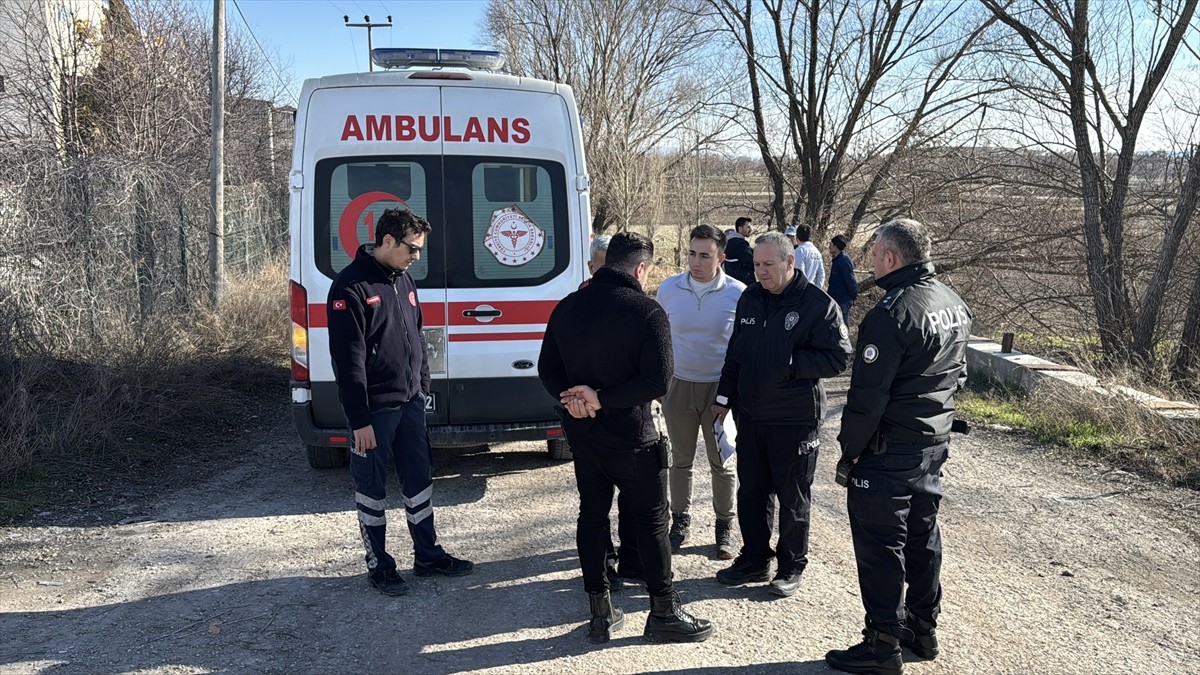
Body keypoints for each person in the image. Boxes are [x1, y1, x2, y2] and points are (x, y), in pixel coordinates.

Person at [539, 232, 713, 644]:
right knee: (652, 522)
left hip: (584, 436)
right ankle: (663, 611)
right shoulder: (647, 312)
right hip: (633, 438)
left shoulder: (568, 306)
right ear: (640, 269)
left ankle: (600, 613)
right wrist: (600, 399)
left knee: (592, 516)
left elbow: (547, 368)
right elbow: (658, 380)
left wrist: (574, 400)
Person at [825, 218, 972, 675]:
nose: (871, 263)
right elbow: (958, 376)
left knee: (881, 545)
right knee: (923, 537)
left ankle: (882, 643)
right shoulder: (952, 302)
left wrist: (850, 450)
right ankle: (922, 629)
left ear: (890, 257)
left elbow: (868, 398)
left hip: (889, 450)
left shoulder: (892, 313)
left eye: (874, 255)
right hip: (932, 443)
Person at [326, 207, 474, 597]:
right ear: (388, 240)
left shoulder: (404, 279)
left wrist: (421, 386)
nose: (417, 256)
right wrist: (359, 420)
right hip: (373, 412)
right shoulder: (350, 287)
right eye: (412, 248)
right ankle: (380, 566)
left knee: (419, 481)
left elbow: (417, 336)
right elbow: (348, 361)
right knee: (371, 488)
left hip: (410, 404)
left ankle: (428, 556)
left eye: (420, 249)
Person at [712, 231, 852, 597]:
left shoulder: (817, 305)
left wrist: (790, 363)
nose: (760, 271)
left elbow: (838, 358)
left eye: (768, 264)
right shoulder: (750, 298)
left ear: (790, 262)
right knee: (752, 492)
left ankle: (791, 566)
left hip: (794, 418)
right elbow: (735, 353)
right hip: (751, 415)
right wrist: (724, 397)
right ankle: (755, 559)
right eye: (756, 264)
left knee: (793, 496)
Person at [655, 225, 746, 559]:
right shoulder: (669, 289)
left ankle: (725, 526)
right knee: (680, 460)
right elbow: (657, 338)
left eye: (705, 256)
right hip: (678, 386)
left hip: (720, 392)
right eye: (692, 253)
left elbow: (744, 347)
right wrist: (660, 384)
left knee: (722, 461)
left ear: (721, 258)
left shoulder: (738, 293)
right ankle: (680, 520)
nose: (696, 262)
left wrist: (734, 393)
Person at [587, 235, 643, 590]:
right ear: (591, 266)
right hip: (590, 420)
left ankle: (632, 559)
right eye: (602, 265)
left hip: (627, 417)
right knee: (595, 503)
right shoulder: (576, 303)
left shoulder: (639, 305)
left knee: (633, 498)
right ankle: (604, 564)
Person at [828, 234, 858, 326]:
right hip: (834, 300)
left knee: (842, 327)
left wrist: (852, 297)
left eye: (831, 245)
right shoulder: (836, 260)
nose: (829, 247)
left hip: (842, 301)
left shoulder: (844, 261)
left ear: (836, 247)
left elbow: (851, 281)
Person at [722, 217, 756, 286]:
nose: (751, 229)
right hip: (743, 282)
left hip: (733, 280)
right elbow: (751, 261)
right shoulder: (739, 244)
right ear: (740, 228)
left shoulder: (730, 241)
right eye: (748, 227)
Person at [792, 224, 826, 290]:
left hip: (800, 290)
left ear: (797, 236)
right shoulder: (817, 251)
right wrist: (817, 290)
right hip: (811, 289)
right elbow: (821, 274)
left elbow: (800, 273)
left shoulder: (799, 251)